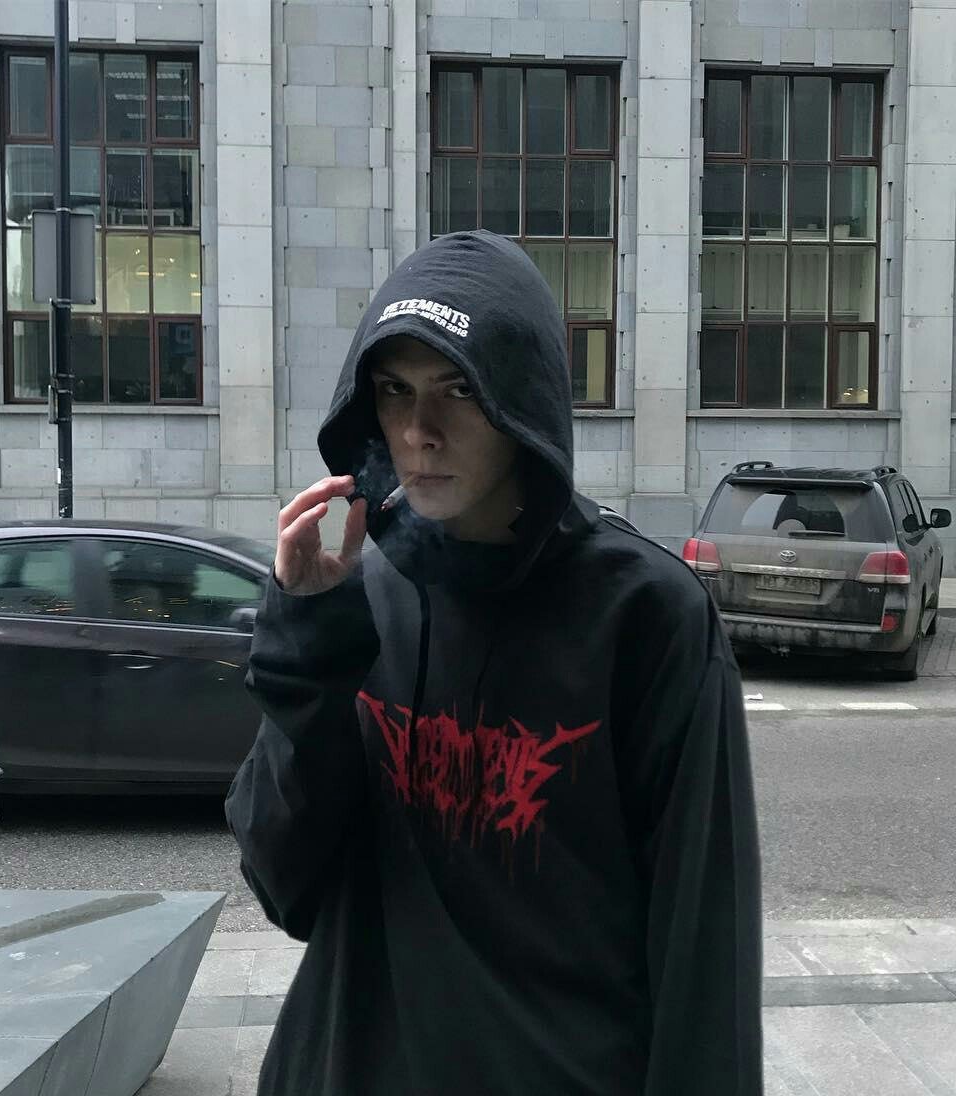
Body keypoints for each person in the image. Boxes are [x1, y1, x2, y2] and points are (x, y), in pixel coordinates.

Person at [225, 230, 763, 1095]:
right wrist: (305, 652)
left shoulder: (646, 615)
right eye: (395, 391)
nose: (419, 431)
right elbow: (285, 889)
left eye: (459, 390)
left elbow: (707, 956)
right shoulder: (365, 592)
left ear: (523, 402)